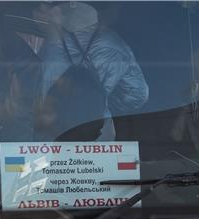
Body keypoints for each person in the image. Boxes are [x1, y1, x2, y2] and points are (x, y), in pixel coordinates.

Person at [35, 1, 148, 140]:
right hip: (94, 138)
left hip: (53, 136)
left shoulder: (52, 45)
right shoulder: (113, 45)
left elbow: (38, 92)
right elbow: (137, 97)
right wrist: (105, 99)